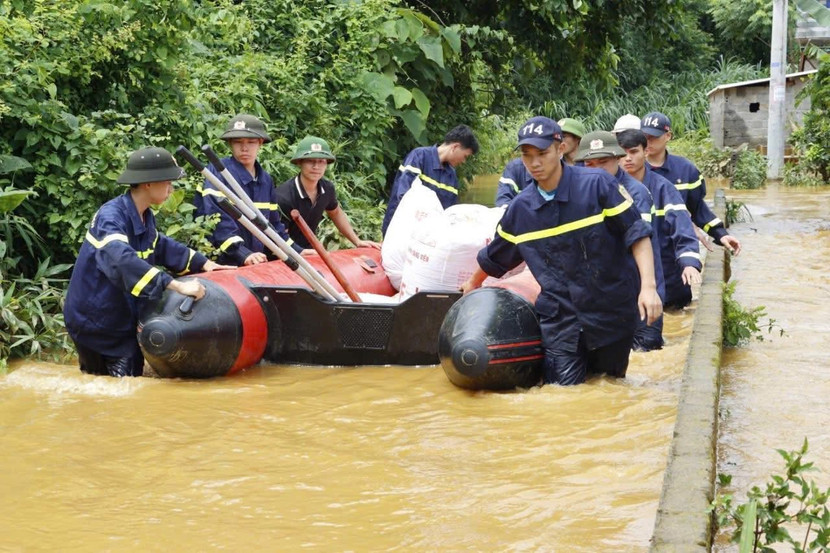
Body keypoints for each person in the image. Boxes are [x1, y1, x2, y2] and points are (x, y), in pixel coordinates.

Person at [462, 117, 662, 386]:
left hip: (610, 314)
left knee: (610, 389)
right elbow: (497, 256)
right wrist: (472, 284)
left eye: (542, 154)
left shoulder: (597, 185)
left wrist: (648, 288)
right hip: (561, 321)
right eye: (527, 155)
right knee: (563, 395)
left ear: (560, 149)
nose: (534, 163)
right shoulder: (521, 210)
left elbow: (637, 235)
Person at [64, 147, 232, 377]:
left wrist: (203, 263)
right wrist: (177, 285)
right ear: (148, 184)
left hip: (113, 318)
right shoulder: (110, 217)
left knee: (104, 384)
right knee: (125, 387)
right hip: (96, 321)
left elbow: (159, 246)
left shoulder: (143, 215)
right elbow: (122, 260)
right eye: (168, 183)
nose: (171, 189)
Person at [573, 130, 666, 351]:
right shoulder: (578, 193)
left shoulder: (636, 194)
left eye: (603, 162)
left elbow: (639, 243)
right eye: (589, 164)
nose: (596, 170)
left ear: (617, 159)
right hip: (603, 297)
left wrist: (648, 289)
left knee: (645, 355)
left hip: (638, 292)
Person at [642, 111, 742, 295]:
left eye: (653, 137)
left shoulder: (686, 170)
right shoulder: (634, 170)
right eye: (644, 137)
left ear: (668, 136)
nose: (648, 142)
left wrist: (720, 234)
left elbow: (697, 209)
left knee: (676, 308)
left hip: (676, 252)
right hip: (646, 252)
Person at [194, 113, 300, 266]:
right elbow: (218, 222)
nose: (244, 148)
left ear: (260, 143)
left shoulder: (266, 180)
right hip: (223, 263)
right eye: (238, 142)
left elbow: (273, 225)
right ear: (230, 143)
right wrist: (243, 254)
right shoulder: (218, 173)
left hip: (256, 262)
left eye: (251, 142)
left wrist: (296, 250)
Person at [618, 129, 703, 310]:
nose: (627, 158)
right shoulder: (609, 189)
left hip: (667, 277)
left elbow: (681, 227)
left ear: (645, 152)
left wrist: (689, 263)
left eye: (633, 152)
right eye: (622, 153)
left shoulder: (664, 189)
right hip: (627, 281)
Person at [275, 136, 381, 253]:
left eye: (321, 161)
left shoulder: (327, 188)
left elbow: (335, 212)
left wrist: (357, 241)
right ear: (300, 162)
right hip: (281, 256)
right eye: (310, 161)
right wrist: (299, 251)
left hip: (311, 253)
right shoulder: (284, 196)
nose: (316, 167)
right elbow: (276, 234)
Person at [381, 124, 479, 236]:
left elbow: (449, 213)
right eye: (465, 156)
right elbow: (403, 196)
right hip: (399, 231)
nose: (463, 161)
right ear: (455, 147)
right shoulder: (419, 157)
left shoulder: (452, 177)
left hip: (427, 239)